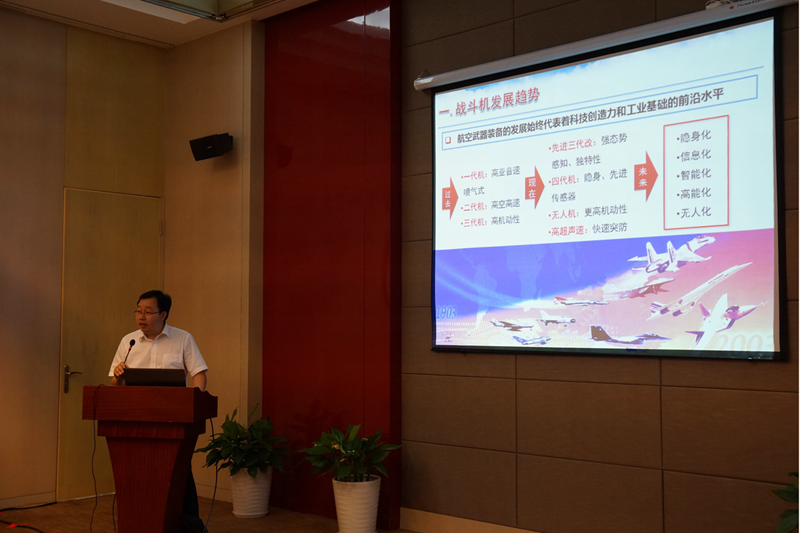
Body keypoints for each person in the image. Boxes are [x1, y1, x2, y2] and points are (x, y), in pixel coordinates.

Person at [108, 289, 208, 523]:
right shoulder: (129, 341)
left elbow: (199, 374)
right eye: (138, 311)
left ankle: (188, 525)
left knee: (178, 472)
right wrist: (118, 375)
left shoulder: (182, 338)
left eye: (148, 312)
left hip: (173, 420)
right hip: (136, 421)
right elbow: (114, 382)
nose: (141, 317)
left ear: (163, 315)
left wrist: (195, 402)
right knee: (138, 473)